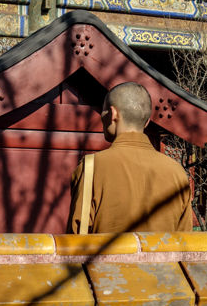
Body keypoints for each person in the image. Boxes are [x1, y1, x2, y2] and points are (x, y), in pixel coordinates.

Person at [68, 82, 193, 234]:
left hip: (106, 257)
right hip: (164, 258)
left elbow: (76, 240)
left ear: (113, 114)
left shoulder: (91, 168)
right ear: (147, 121)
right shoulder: (177, 173)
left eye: (104, 112)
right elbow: (185, 242)